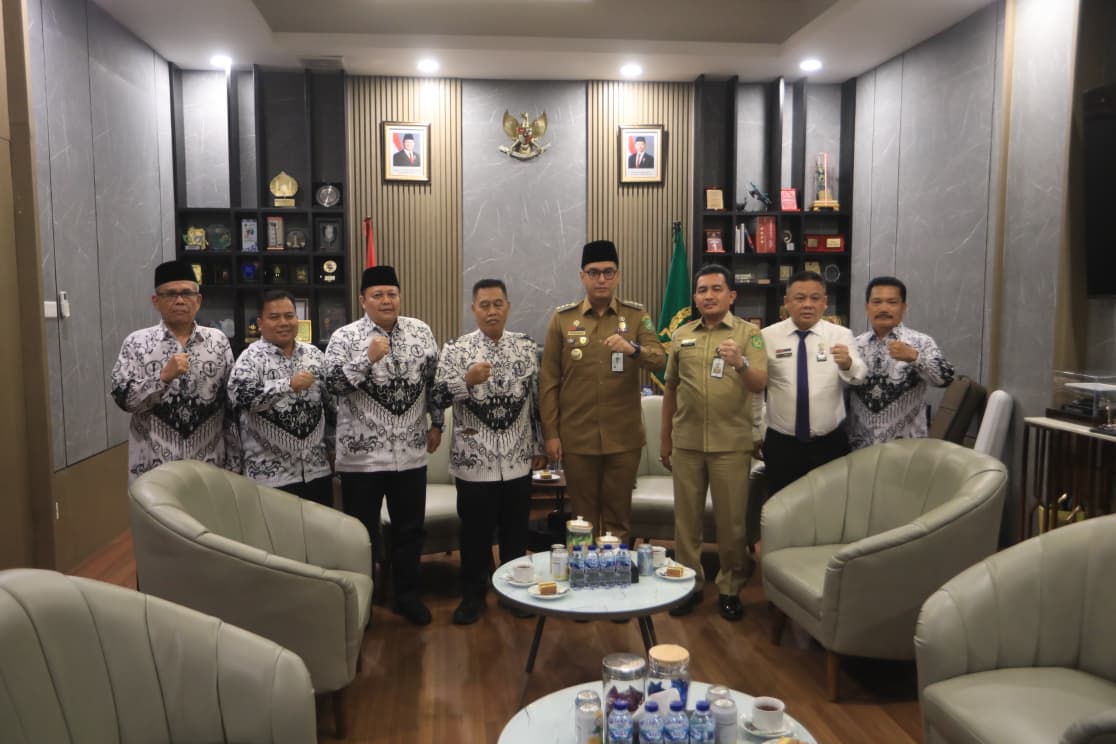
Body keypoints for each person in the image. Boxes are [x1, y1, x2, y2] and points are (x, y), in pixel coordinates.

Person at [324, 265, 442, 626]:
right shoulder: (345, 337)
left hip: (410, 453)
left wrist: (437, 422)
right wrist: (367, 357)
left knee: (410, 529)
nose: (386, 300)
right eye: (378, 295)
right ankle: (363, 599)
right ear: (363, 300)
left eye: (392, 293)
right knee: (362, 533)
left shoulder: (421, 331)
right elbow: (331, 385)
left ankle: (407, 596)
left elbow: (433, 383)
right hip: (362, 458)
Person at [432, 279, 545, 625]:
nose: (492, 311)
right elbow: (436, 397)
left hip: (518, 458)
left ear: (507, 306)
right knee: (475, 535)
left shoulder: (527, 347)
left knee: (515, 534)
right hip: (473, 461)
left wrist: (540, 444)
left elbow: (537, 401)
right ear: (473, 309)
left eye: (498, 304)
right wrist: (465, 380)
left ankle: (514, 594)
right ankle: (473, 596)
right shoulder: (456, 349)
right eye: (485, 305)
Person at [539, 240, 666, 546]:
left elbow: (660, 359)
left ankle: (614, 570)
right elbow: (549, 380)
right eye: (594, 273)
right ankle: (583, 572)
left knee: (618, 517)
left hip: (623, 438)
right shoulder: (563, 319)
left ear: (618, 276)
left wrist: (633, 349)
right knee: (582, 519)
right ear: (582, 276)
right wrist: (551, 434)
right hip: (577, 436)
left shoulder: (636, 316)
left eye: (608, 272)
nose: (601, 280)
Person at [660, 265, 768, 621]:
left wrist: (740, 363)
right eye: (702, 290)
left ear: (731, 295)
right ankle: (688, 586)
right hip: (687, 443)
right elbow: (671, 388)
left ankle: (730, 588)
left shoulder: (749, 335)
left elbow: (759, 383)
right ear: (695, 297)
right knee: (686, 522)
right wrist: (665, 439)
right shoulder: (682, 335)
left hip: (731, 444)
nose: (708, 296)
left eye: (716, 289)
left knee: (732, 523)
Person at [111, 260, 237, 481]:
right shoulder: (136, 343)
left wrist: (235, 464)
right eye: (170, 294)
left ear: (198, 300)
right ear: (156, 301)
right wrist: (162, 377)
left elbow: (231, 404)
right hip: (153, 470)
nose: (179, 300)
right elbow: (125, 400)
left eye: (186, 293)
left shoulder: (218, 341)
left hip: (210, 467)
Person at [760, 270, 866, 497]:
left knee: (830, 504)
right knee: (781, 505)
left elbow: (859, 376)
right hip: (782, 444)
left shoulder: (840, 335)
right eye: (800, 298)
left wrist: (847, 363)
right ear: (787, 302)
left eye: (815, 298)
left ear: (825, 302)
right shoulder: (767, 337)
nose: (807, 304)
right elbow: (756, 386)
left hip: (829, 442)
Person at [228, 289, 334, 505]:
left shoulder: (314, 355)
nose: (284, 323)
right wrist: (287, 385)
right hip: (270, 478)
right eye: (274, 317)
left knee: (321, 528)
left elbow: (331, 408)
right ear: (260, 323)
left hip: (317, 471)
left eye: (289, 316)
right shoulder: (249, 359)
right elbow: (242, 398)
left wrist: (334, 452)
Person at [848, 276, 955, 449]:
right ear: (867, 307)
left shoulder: (921, 342)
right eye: (877, 302)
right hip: (860, 448)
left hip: (906, 450)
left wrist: (915, 357)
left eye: (892, 302)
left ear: (904, 308)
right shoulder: (854, 345)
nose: (884, 308)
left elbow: (946, 378)